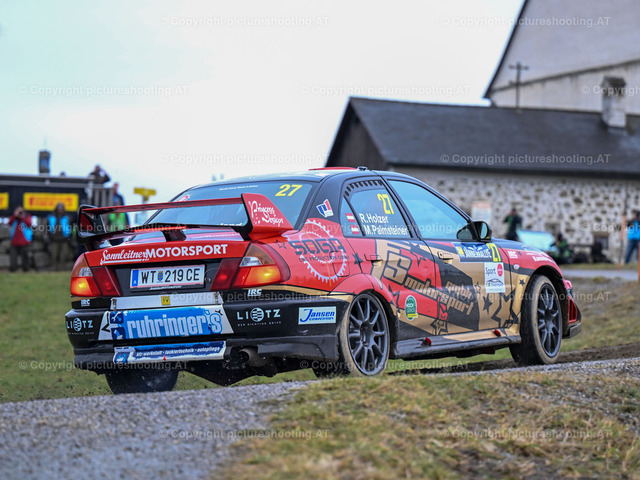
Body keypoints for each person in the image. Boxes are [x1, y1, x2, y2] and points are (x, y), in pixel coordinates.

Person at [47, 203, 72, 271]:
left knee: (64, 254)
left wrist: (69, 237)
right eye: (59, 208)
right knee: (54, 255)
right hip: (54, 239)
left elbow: (71, 227)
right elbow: (47, 227)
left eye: (61, 208)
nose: (60, 210)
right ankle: (53, 268)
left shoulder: (67, 217)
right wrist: (50, 236)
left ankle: (62, 268)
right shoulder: (51, 217)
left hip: (64, 239)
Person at [8, 206, 32, 272]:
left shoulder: (27, 216)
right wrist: (15, 215)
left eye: (21, 211)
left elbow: (29, 223)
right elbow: (9, 223)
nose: (20, 213)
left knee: (25, 256)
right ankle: (13, 269)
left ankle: (26, 269)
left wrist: (22, 217)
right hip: (14, 241)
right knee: (13, 256)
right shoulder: (14, 218)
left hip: (24, 240)